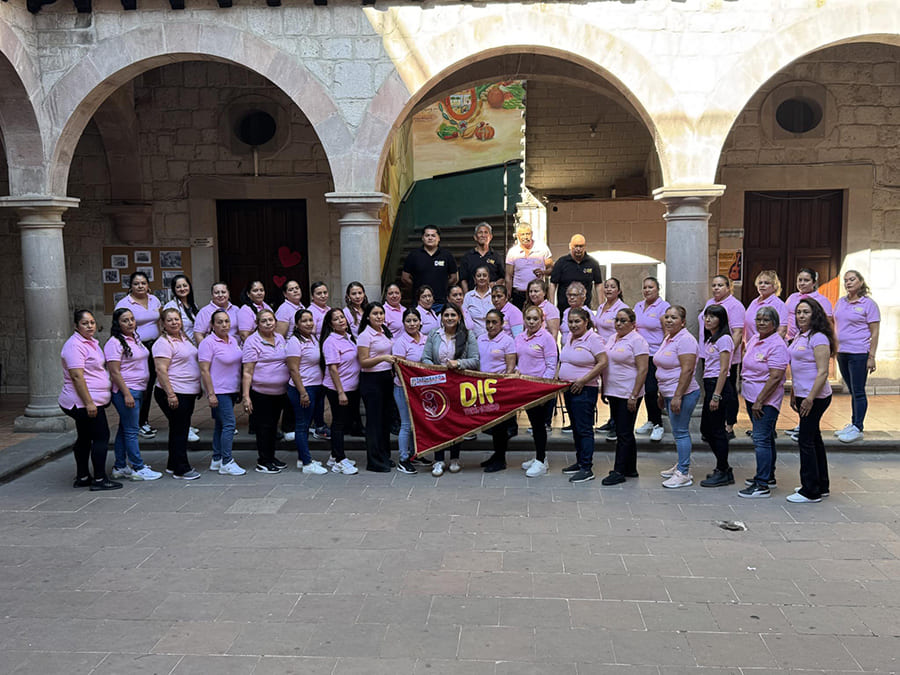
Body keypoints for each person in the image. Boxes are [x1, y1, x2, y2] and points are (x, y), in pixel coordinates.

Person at [59, 310, 121, 491]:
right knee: (101, 437)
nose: (90, 326)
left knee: (85, 437)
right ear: (76, 326)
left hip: (91, 400)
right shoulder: (74, 345)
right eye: (85, 323)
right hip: (83, 402)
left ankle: (83, 477)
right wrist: (89, 403)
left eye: (92, 322)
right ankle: (100, 479)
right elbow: (77, 376)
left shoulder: (91, 342)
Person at [422, 303, 479, 476]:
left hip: (458, 385)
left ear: (459, 317)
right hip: (437, 385)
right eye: (446, 315)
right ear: (441, 318)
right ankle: (438, 459)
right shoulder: (434, 334)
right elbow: (425, 358)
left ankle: (455, 458)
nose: (449, 318)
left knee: (456, 422)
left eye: (453, 315)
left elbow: (475, 360)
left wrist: (458, 363)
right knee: (438, 422)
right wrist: (435, 369)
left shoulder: (468, 335)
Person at [787, 298, 835, 503]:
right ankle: (821, 484)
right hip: (802, 393)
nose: (801, 316)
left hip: (815, 396)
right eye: (798, 312)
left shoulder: (819, 338)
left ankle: (810, 491)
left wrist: (809, 398)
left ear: (815, 314)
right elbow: (797, 367)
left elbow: (823, 372)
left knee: (805, 440)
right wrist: (793, 391)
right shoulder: (800, 335)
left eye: (806, 312)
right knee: (814, 438)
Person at [739, 306, 789, 498]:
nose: (761, 322)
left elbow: (776, 376)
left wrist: (760, 400)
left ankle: (761, 485)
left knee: (760, 440)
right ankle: (768, 476)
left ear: (774, 324)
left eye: (766, 320)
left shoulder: (777, 345)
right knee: (766, 438)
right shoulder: (755, 339)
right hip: (752, 396)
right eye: (758, 319)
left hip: (765, 400)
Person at [105, 308, 161, 481]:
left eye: (132, 319)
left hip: (139, 389)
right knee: (132, 430)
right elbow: (114, 372)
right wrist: (127, 394)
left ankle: (120, 466)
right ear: (117, 323)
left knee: (125, 429)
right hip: (127, 391)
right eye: (125, 320)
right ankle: (138, 467)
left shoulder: (135, 338)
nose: (130, 323)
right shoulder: (114, 343)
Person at [601, 308, 649, 486]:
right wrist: (605, 388)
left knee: (623, 432)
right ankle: (630, 468)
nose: (619, 324)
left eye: (623, 321)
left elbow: (643, 369)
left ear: (633, 324)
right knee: (625, 430)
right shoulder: (612, 338)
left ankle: (619, 471)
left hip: (628, 392)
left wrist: (634, 395)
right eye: (617, 320)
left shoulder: (638, 341)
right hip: (614, 391)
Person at [559, 308, 607, 483]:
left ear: (586, 322)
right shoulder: (569, 338)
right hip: (569, 389)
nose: (573, 325)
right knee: (576, 428)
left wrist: (583, 380)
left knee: (584, 429)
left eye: (577, 321)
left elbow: (603, 362)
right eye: (570, 322)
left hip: (585, 389)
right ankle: (580, 462)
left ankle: (587, 468)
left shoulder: (593, 339)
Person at [656, 306, 701, 489]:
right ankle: (681, 463)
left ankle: (683, 473)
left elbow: (687, 370)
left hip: (683, 393)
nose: (669, 320)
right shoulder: (669, 338)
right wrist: (661, 393)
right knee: (677, 432)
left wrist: (677, 396)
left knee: (681, 432)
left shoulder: (686, 340)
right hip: (668, 392)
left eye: (673, 318)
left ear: (683, 322)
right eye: (667, 317)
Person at [153, 308, 202, 480]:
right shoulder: (163, 343)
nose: (174, 322)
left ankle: (173, 464)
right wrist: (171, 394)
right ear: (163, 324)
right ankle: (182, 469)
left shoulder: (184, 338)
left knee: (178, 428)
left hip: (187, 391)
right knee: (180, 430)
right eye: (170, 320)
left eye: (177, 319)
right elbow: (161, 370)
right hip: (174, 391)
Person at [833, 269, 880, 443]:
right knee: (852, 390)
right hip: (842, 352)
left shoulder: (868, 304)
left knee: (858, 391)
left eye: (852, 279)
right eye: (846, 280)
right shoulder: (841, 302)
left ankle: (858, 427)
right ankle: (853, 423)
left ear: (860, 282)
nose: (848, 283)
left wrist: (871, 356)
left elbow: (875, 332)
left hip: (859, 353)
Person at [198, 309, 246, 476]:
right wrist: (211, 394)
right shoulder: (208, 343)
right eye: (219, 322)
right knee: (229, 424)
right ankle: (227, 461)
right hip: (219, 390)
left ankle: (217, 458)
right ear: (212, 325)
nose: (224, 325)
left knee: (220, 424)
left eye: (226, 321)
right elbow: (204, 370)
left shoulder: (232, 340)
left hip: (232, 388)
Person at [242, 309, 289, 474]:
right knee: (264, 427)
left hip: (280, 392)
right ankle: (263, 461)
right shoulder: (252, 341)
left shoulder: (280, 338)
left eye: (271, 320)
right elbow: (247, 371)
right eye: (264, 321)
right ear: (257, 324)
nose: (268, 323)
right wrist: (246, 396)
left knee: (273, 427)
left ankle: (271, 457)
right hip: (261, 392)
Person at [115, 271, 162, 439]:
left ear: (148, 285)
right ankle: (137, 422)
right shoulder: (124, 303)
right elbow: (119, 326)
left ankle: (143, 420)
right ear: (131, 286)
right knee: (141, 385)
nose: (140, 286)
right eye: (136, 283)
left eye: (143, 283)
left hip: (155, 346)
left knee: (151, 384)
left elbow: (159, 320)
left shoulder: (154, 300)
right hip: (136, 349)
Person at [699, 275, 745, 438]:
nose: (716, 288)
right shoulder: (710, 303)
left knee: (728, 392)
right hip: (708, 353)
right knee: (711, 390)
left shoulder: (735, 305)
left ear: (728, 287)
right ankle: (713, 426)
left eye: (720, 285)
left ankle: (728, 425)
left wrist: (726, 354)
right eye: (714, 285)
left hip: (724, 355)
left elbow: (737, 333)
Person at [516, 305, 558, 477]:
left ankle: (541, 461)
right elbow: (518, 360)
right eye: (529, 319)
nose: (532, 322)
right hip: (524, 387)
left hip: (539, 389)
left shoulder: (547, 338)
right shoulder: (519, 337)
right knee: (534, 424)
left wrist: (543, 389)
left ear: (542, 320)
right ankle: (540, 456)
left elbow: (551, 365)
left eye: (535, 319)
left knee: (539, 425)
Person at [285, 309, 329, 475]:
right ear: (297, 324)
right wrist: (302, 392)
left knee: (307, 423)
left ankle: (302, 457)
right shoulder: (295, 341)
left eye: (310, 320)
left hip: (316, 386)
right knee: (302, 425)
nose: (309, 323)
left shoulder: (313, 338)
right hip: (303, 388)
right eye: (304, 321)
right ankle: (307, 463)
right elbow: (293, 369)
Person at [697, 304, 735, 487]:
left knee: (717, 430)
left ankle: (723, 470)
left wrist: (716, 395)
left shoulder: (724, 339)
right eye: (706, 316)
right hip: (710, 385)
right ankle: (724, 467)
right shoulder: (710, 339)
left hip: (719, 387)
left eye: (712, 316)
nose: (708, 319)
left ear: (721, 319)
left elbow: (724, 369)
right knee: (706, 430)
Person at [320, 308, 361, 475]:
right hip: (338, 388)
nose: (341, 320)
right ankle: (339, 460)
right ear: (331, 324)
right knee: (338, 424)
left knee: (344, 422)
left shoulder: (348, 337)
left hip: (351, 387)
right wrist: (340, 392)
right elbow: (333, 369)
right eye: (336, 319)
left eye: (342, 317)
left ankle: (333, 456)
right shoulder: (330, 342)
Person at [477, 308, 517, 473]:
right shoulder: (480, 338)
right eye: (488, 322)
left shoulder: (508, 341)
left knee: (501, 426)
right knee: (492, 425)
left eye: (494, 322)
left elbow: (510, 367)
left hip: (500, 389)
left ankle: (501, 459)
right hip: (483, 389)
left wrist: (504, 387)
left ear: (501, 324)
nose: (491, 325)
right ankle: (496, 455)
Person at [357, 302, 396, 472]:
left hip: (386, 378)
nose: (379, 316)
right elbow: (363, 361)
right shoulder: (365, 335)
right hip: (371, 380)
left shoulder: (384, 331)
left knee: (385, 420)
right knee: (374, 421)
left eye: (381, 313)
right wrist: (383, 358)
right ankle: (374, 460)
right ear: (368, 317)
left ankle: (384, 455)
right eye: (375, 313)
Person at [392, 308, 428, 475]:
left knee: (418, 423)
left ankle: (416, 454)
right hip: (403, 388)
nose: (412, 324)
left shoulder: (426, 339)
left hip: (421, 388)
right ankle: (403, 458)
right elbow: (399, 368)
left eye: (415, 320)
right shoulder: (400, 342)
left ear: (420, 322)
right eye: (408, 321)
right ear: (403, 323)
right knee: (406, 424)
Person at [634, 276, 669, 442]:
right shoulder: (638, 306)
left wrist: (664, 353)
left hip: (655, 354)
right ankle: (650, 420)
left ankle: (658, 424)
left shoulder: (663, 307)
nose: (647, 290)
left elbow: (667, 332)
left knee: (651, 389)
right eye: (645, 287)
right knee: (641, 389)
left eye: (651, 287)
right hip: (639, 354)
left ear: (658, 289)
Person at [594, 278, 628, 440]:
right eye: (606, 287)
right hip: (602, 351)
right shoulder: (601, 307)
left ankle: (617, 424)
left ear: (619, 290)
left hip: (616, 351)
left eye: (612, 287)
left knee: (616, 388)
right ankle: (611, 419)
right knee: (607, 387)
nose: (608, 289)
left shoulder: (622, 308)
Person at [401, 225, 458, 310]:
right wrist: (417, 288)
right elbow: (405, 278)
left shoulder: (447, 255)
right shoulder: (413, 255)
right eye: (427, 235)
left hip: (441, 302)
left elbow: (454, 278)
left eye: (433, 235)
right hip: (419, 302)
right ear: (422, 238)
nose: (430, 238)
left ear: (438, 238)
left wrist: (443, 286)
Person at [550, 233, 604, 312]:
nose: (578, 249)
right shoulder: (561, 262)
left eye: (581, 246)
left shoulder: (593, 263)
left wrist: (601, 307)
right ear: (570, 246)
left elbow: (598, 284)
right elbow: (553, 284)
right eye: (576, 246)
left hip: (584, 310)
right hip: (563, 309)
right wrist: (551, 306)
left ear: (585, 246)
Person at [505, 222, 553, 309]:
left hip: (537, 294)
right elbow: (508, 276)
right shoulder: (512, 252)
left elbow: (551, 269)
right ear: (517, 236)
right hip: (519, 294)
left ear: (532, 234)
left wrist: (543, 272)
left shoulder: (542, 248)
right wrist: (508, 294)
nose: (525, 237)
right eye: (522, 234)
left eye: (527, 234)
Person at [307, 281, 332, 440]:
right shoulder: (310, 311)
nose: (323, 296)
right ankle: (317, 424)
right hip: (317, 353)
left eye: (325, 292)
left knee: (324, 390)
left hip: (328, 353)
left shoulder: (329, 310)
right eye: (319, 293)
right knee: (318, 392)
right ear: (312, 296)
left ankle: (318, 422)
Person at [785, 268, 834, 340]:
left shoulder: (822, 300)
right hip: (789, 339)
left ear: (814, 283)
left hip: (811, 340)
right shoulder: (792, 297)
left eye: (806, 280)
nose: (802, 283)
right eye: (800, 280)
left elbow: (827, 324)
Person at [458, 222, 505, 292]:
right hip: (473, 295)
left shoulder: (496, 257)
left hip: (492, 295)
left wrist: (495, 284)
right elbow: (463, 279)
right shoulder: (467, 257)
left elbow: (503, 277)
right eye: (480, 232)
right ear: (475, 237)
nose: (483, 235)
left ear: (490, 237)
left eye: (486, 232)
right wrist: (467, 295)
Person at [744, 270, 788, 342]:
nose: (762, 285)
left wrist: (767, 345)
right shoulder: (754, 302)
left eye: (766, 283)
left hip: (768, 345)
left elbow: (782, 331)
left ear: (774, 286)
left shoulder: (779, 304)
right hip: (751, 344)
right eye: (760, 283)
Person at [163, 274, 199, 343]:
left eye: (185, 286)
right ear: (174, 289)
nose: (182, 289)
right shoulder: (170, 306)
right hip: (180, 344)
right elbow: (166, 330)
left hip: (194, 344)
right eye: (178, 287)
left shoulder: (193, 305)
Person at [462, 266, 495, 338]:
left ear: (489, 278)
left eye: (484, 275)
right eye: (479, 276)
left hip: (493, 336)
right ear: (474, 279)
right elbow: (464, 316)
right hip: (474, 337)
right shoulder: (468, 296)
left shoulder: (494, 294)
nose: (482, 278)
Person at [559, 281, 588, 347]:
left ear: (583, 297)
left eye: (575, 295)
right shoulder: (566, 311)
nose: (571, 297)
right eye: (569, 295)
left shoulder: (586, 312)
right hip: (565, 348)